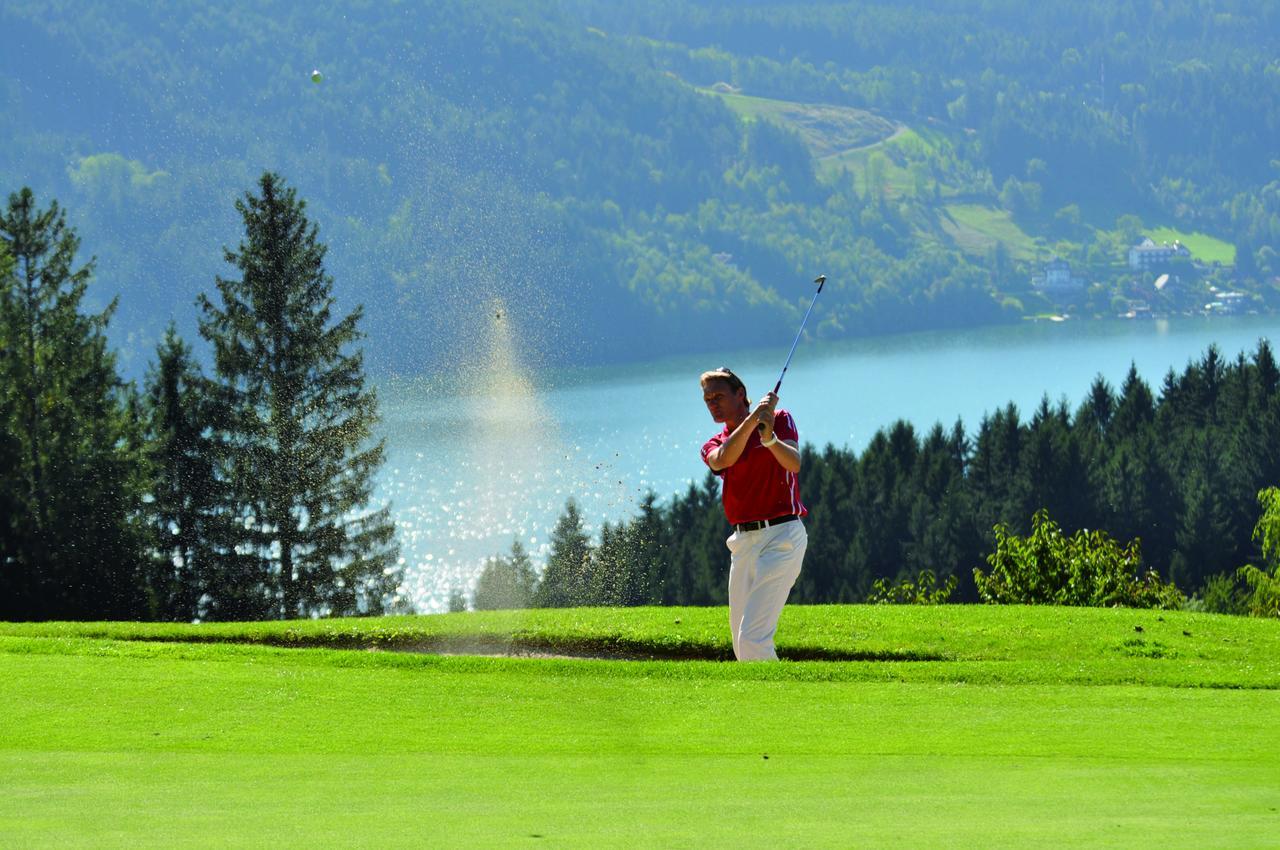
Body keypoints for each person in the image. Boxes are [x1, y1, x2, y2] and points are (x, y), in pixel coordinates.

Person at [699, 367, 807, 661]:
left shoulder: (780, 420)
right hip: (743, 543)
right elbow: (723, 460)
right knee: (741, 645)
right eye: (707, 399)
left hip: (782, 536)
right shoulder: (715, 442)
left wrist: (769, 437)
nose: (712, 404)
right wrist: (752, 422)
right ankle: (769, 703)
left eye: (719, 396)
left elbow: (794, 463)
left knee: (752, 640)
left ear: (740, 394)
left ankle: (784, 704)